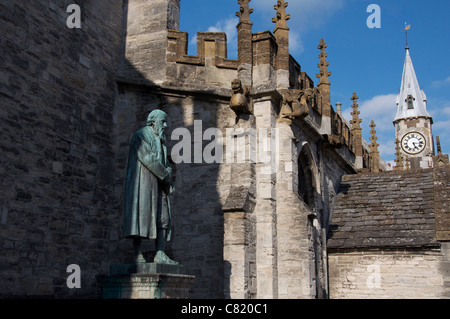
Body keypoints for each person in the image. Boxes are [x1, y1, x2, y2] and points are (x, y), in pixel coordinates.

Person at [121, 109, 177, 265]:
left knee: (163, 217)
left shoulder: (161, 140)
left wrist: (168, 173)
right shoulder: (141, 135)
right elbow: (148, 158)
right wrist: (165, 175)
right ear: (153, 121)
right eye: (162, 121)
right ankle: (137, 254)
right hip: (143, 182)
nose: (165, 125)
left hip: (158, 184)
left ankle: (160, 253)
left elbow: (166, 163)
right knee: (140, 216)